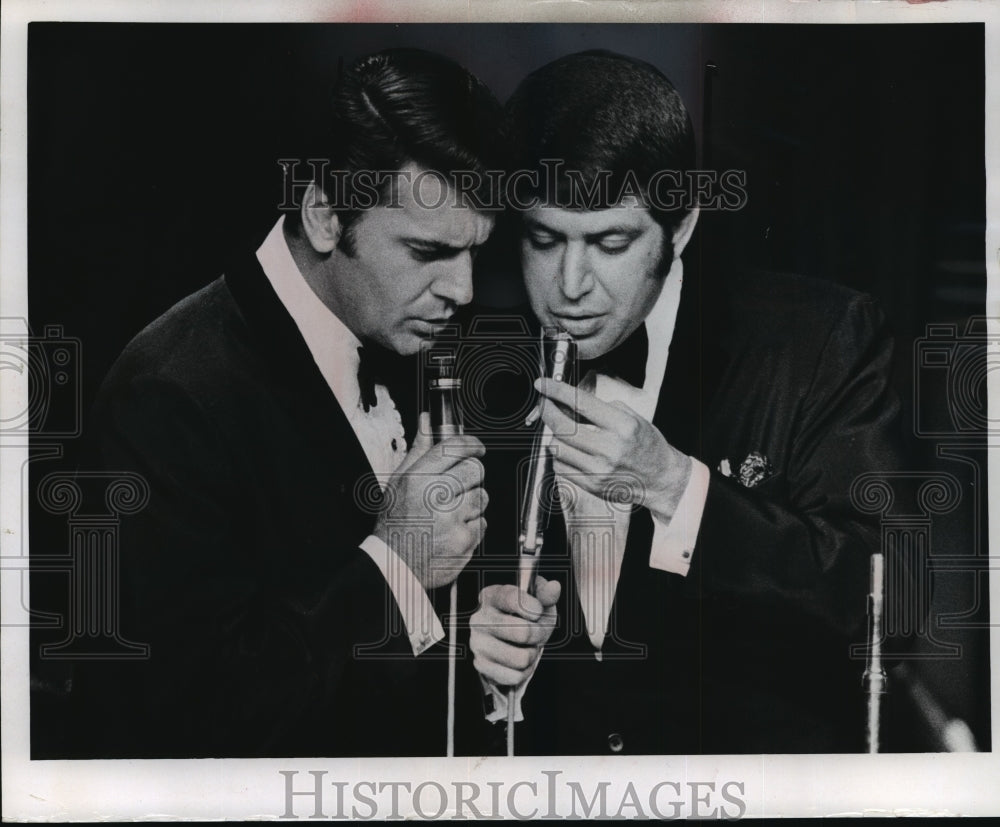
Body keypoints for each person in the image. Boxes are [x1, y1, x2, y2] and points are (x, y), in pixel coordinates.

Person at [67, 48, 503, 758]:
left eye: (476, 251)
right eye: (429, 252)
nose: (465, 290)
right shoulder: (168, 397)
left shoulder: (406, 336)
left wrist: (479, 638)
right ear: (327, 215)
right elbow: (182, 720)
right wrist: (397, 563)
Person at [467, 50, 907, 754]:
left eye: (609, 241)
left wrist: (675, 487)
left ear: (682, 227)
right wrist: (483, 656)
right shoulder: (474, 361)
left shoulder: (819, 340)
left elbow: (890, 600)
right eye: (544, 239)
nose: (569, 285)